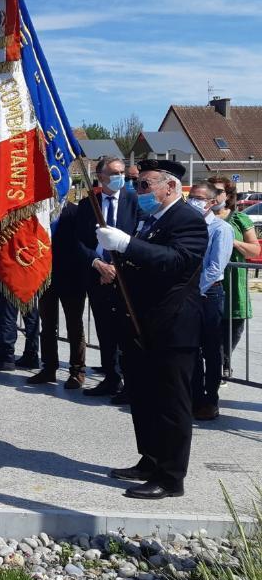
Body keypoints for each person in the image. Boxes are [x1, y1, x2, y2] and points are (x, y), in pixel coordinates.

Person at [98, 159, 208, 500]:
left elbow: (175, 261)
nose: (138, 192)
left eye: (145, 186)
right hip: (143, 324)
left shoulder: (187, 219)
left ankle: (171, 477)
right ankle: (150, 460)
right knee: (144, 397)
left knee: (171, 403)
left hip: (173, 326)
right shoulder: (151, 219)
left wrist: (126, 245)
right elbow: (143, 265)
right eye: (137, 185)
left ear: (169, 187)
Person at [78, 158, 139, 402]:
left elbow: (137, 238)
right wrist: (99, 264)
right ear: (100, 176)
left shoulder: (134, 201)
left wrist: (115, 268)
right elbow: (80, 241)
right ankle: (111, 377)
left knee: (127, 332)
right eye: (114, 173)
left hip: (126, 278)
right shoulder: (87, 205)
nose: (120, 177)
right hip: (97, 277)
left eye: (122, 172)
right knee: (104, 329)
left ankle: (131, 382)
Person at [187, 182, 233, 421]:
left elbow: (215, 268)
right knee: (191, 348)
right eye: (191, 197)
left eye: (198, 198)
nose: (193, 201)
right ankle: (194, 395)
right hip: (188, 294)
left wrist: (194, 289)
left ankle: (210, 398)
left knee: (211, 349)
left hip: (209, 294)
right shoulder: (187, 226)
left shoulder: (220, 229)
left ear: (212, 202)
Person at [208, 176, 260, 378]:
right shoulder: (200, 217)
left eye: (218, 191)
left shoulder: (239, 219)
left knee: (233, 325)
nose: (212, 195)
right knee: (209, 327)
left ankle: (224, 362)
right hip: (208, 279)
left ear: (228, 196)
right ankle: (214, 365)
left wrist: (233, 241)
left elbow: (254, 250)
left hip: (232, 279)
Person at [32, 202, 88, 388]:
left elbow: (83, 242)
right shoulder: (40, 210)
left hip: (72, 277)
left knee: (74, 326)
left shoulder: (75, 211)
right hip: (46, 277)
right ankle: (49, 368)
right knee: (47, 325)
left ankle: (77, 371)